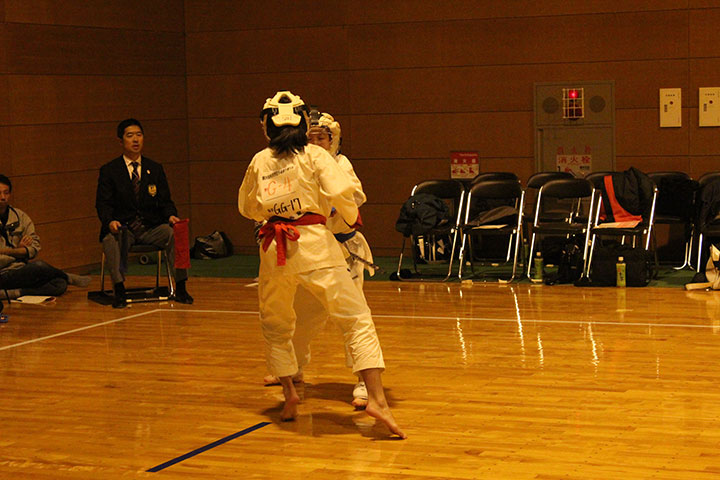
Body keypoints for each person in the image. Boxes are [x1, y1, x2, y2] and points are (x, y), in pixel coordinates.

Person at [238, 91, 405, 438]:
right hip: (314, 243)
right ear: (303, 124)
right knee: (355, 319)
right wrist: (349, 216)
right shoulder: (314, 155)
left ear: (266, 126)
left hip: (274, 248)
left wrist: (274, 211)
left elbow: (247, 207)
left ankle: (290, 392)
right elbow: (342, 193)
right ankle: (377, 399)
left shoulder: (259, 160)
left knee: (276, 324)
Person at [262, 110, 376, 410]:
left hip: (343, 249)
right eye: (310, 137)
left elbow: (354, 196)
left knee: (352, 316)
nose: (315, 142)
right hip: (308, 250)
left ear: (333, 139)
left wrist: (335, 208)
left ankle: (364, 380)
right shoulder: (293, 163)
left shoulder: (339, 163)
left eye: (322, 138)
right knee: (303, 314)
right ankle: (294, 366)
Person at [95, 118, 193, 308]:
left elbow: (166, 201)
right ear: (121, 141)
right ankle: (119, 289)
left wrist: (171, 215)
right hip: (124, 228)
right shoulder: (110, 170)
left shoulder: (154, 169)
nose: (135, 140)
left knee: (175, 233)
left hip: (151, 227)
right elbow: (103, 204)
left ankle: (181, 287)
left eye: (139, 135)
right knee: (110, 239)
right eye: (130, 136)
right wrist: (110, 221)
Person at [0, 175, 90, 300]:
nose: (2, 197)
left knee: (59, 284)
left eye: (6, 193)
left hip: (22, 270)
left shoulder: (20, 216)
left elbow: (34, 248)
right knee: (39, 266)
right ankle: (66, 276)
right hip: (3, 274)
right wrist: (19, 251)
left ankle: (16, 293)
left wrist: (8, 251)